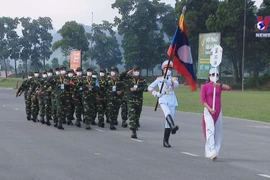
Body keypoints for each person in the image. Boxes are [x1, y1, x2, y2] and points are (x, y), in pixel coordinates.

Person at [201, 68, 232, 161]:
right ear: (209, 75)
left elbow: (229, 88)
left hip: (218, 111)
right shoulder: (205, 86)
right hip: (209, 111)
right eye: (213, 74)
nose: (214, 76)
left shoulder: (218, 86)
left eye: (216, 75)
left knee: (218, 131)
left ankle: (216, 150)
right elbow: (203, 101)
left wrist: (220, 85)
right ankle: (212, 151)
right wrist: (210, 109)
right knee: (210, 130)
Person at [148, 60, 179, 148]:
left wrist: (166, 81)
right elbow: (149, 87)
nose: (168, 70)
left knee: (168, 120)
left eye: (170, 68)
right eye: (166, 68)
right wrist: (156, 93)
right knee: (167, 113)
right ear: (163, 69)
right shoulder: (159, 78)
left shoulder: (174, 79)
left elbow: (175, 85)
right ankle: (173, 126)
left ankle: (166, 141)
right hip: (163, 99)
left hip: (172, 99)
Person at [120, 65, 148, 138]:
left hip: (139, 100)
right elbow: (120, 77)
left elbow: (145, 88)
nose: (136, 72)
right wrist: (126, 72)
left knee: (137, 115)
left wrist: (137, 89)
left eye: (137, 70)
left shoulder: (142, 79)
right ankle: (133, 131)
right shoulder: (128, 78)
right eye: (135, 70)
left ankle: (135, 125)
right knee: (132, 114)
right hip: (130, 100)